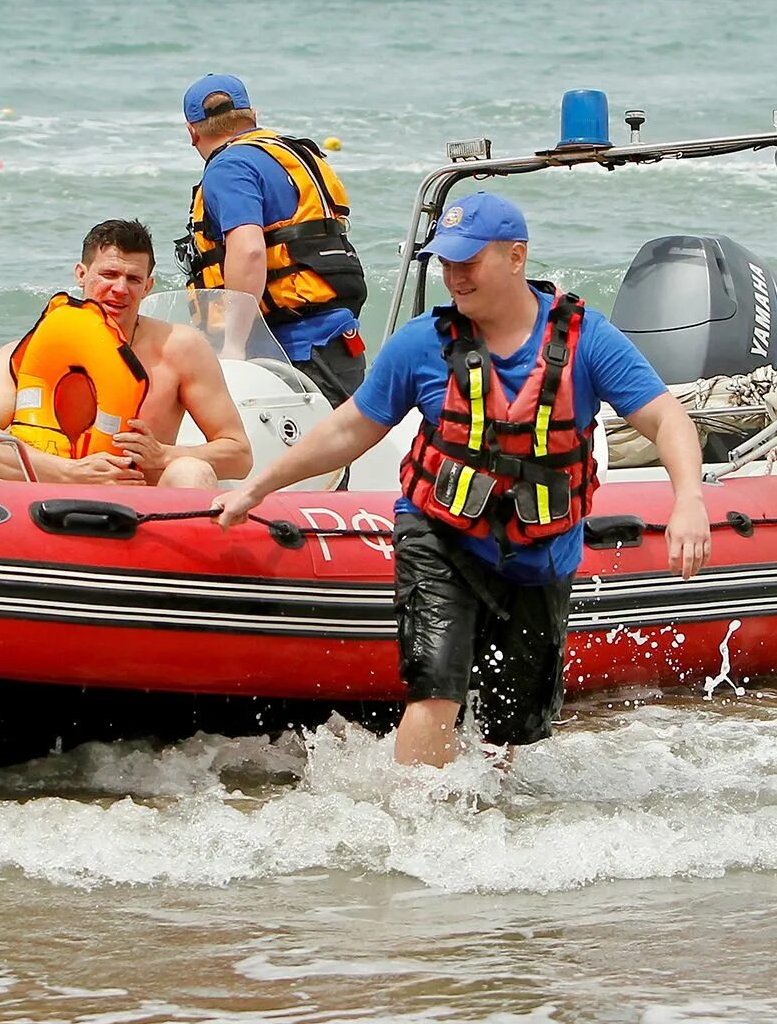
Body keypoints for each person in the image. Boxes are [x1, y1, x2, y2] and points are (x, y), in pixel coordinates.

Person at [212, 193, 711, 765]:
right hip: (439, 537)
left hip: (542, 552)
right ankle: (414, 829)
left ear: (516, 257)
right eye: (446, 263)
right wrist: (257, 487)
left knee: (512, 729)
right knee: (435, 689)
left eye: (468, 262)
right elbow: (351, 429)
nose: (455, 276)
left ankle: (487, 830)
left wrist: (688, 500)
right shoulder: (424, 341)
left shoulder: (588, 340)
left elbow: (665, 417)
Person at [0, 219, 251, 488]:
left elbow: (239, 455)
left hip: (142, 507)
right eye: (109, 274)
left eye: (133, 279)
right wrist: (70, 472)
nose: (120, 288)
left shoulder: (180, 348)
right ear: (81, 275)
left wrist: (163, 455)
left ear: (147, 286)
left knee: (191, 471)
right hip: (48, 507)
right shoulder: (21, 355)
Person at [175, 73, 372, 406]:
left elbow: (249, 250)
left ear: (192, 132)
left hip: (292, 352)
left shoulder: (228, 166)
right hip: (335, 340)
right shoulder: (288, 154)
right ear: (253, 116)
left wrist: (234, 345)